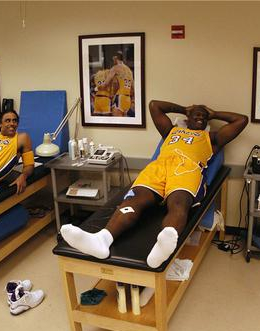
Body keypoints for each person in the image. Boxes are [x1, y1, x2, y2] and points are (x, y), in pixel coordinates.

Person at [61, 99, 248, 268]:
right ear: (187, 118)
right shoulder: (170, 131)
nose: (201, 117)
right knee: (133, 201)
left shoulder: (212, 138)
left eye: (204, 116)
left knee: (178, 203)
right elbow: (154, 105)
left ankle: (162, 246)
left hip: (187, 170)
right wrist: (185, 108)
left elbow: (241, 120)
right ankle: (102, 239)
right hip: (158, 167)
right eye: (196, 114)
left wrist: (213, 113)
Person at [100, 51, 134, 117]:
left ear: (115, 58)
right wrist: (133, 100)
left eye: (113, 59)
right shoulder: (129, 70)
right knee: (125, 121)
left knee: (117, 121)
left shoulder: (115, 68)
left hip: (120, 97)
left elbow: (106, 83)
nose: (113, 61)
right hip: (127, 99)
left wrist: (97, 88)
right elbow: (133, 88)